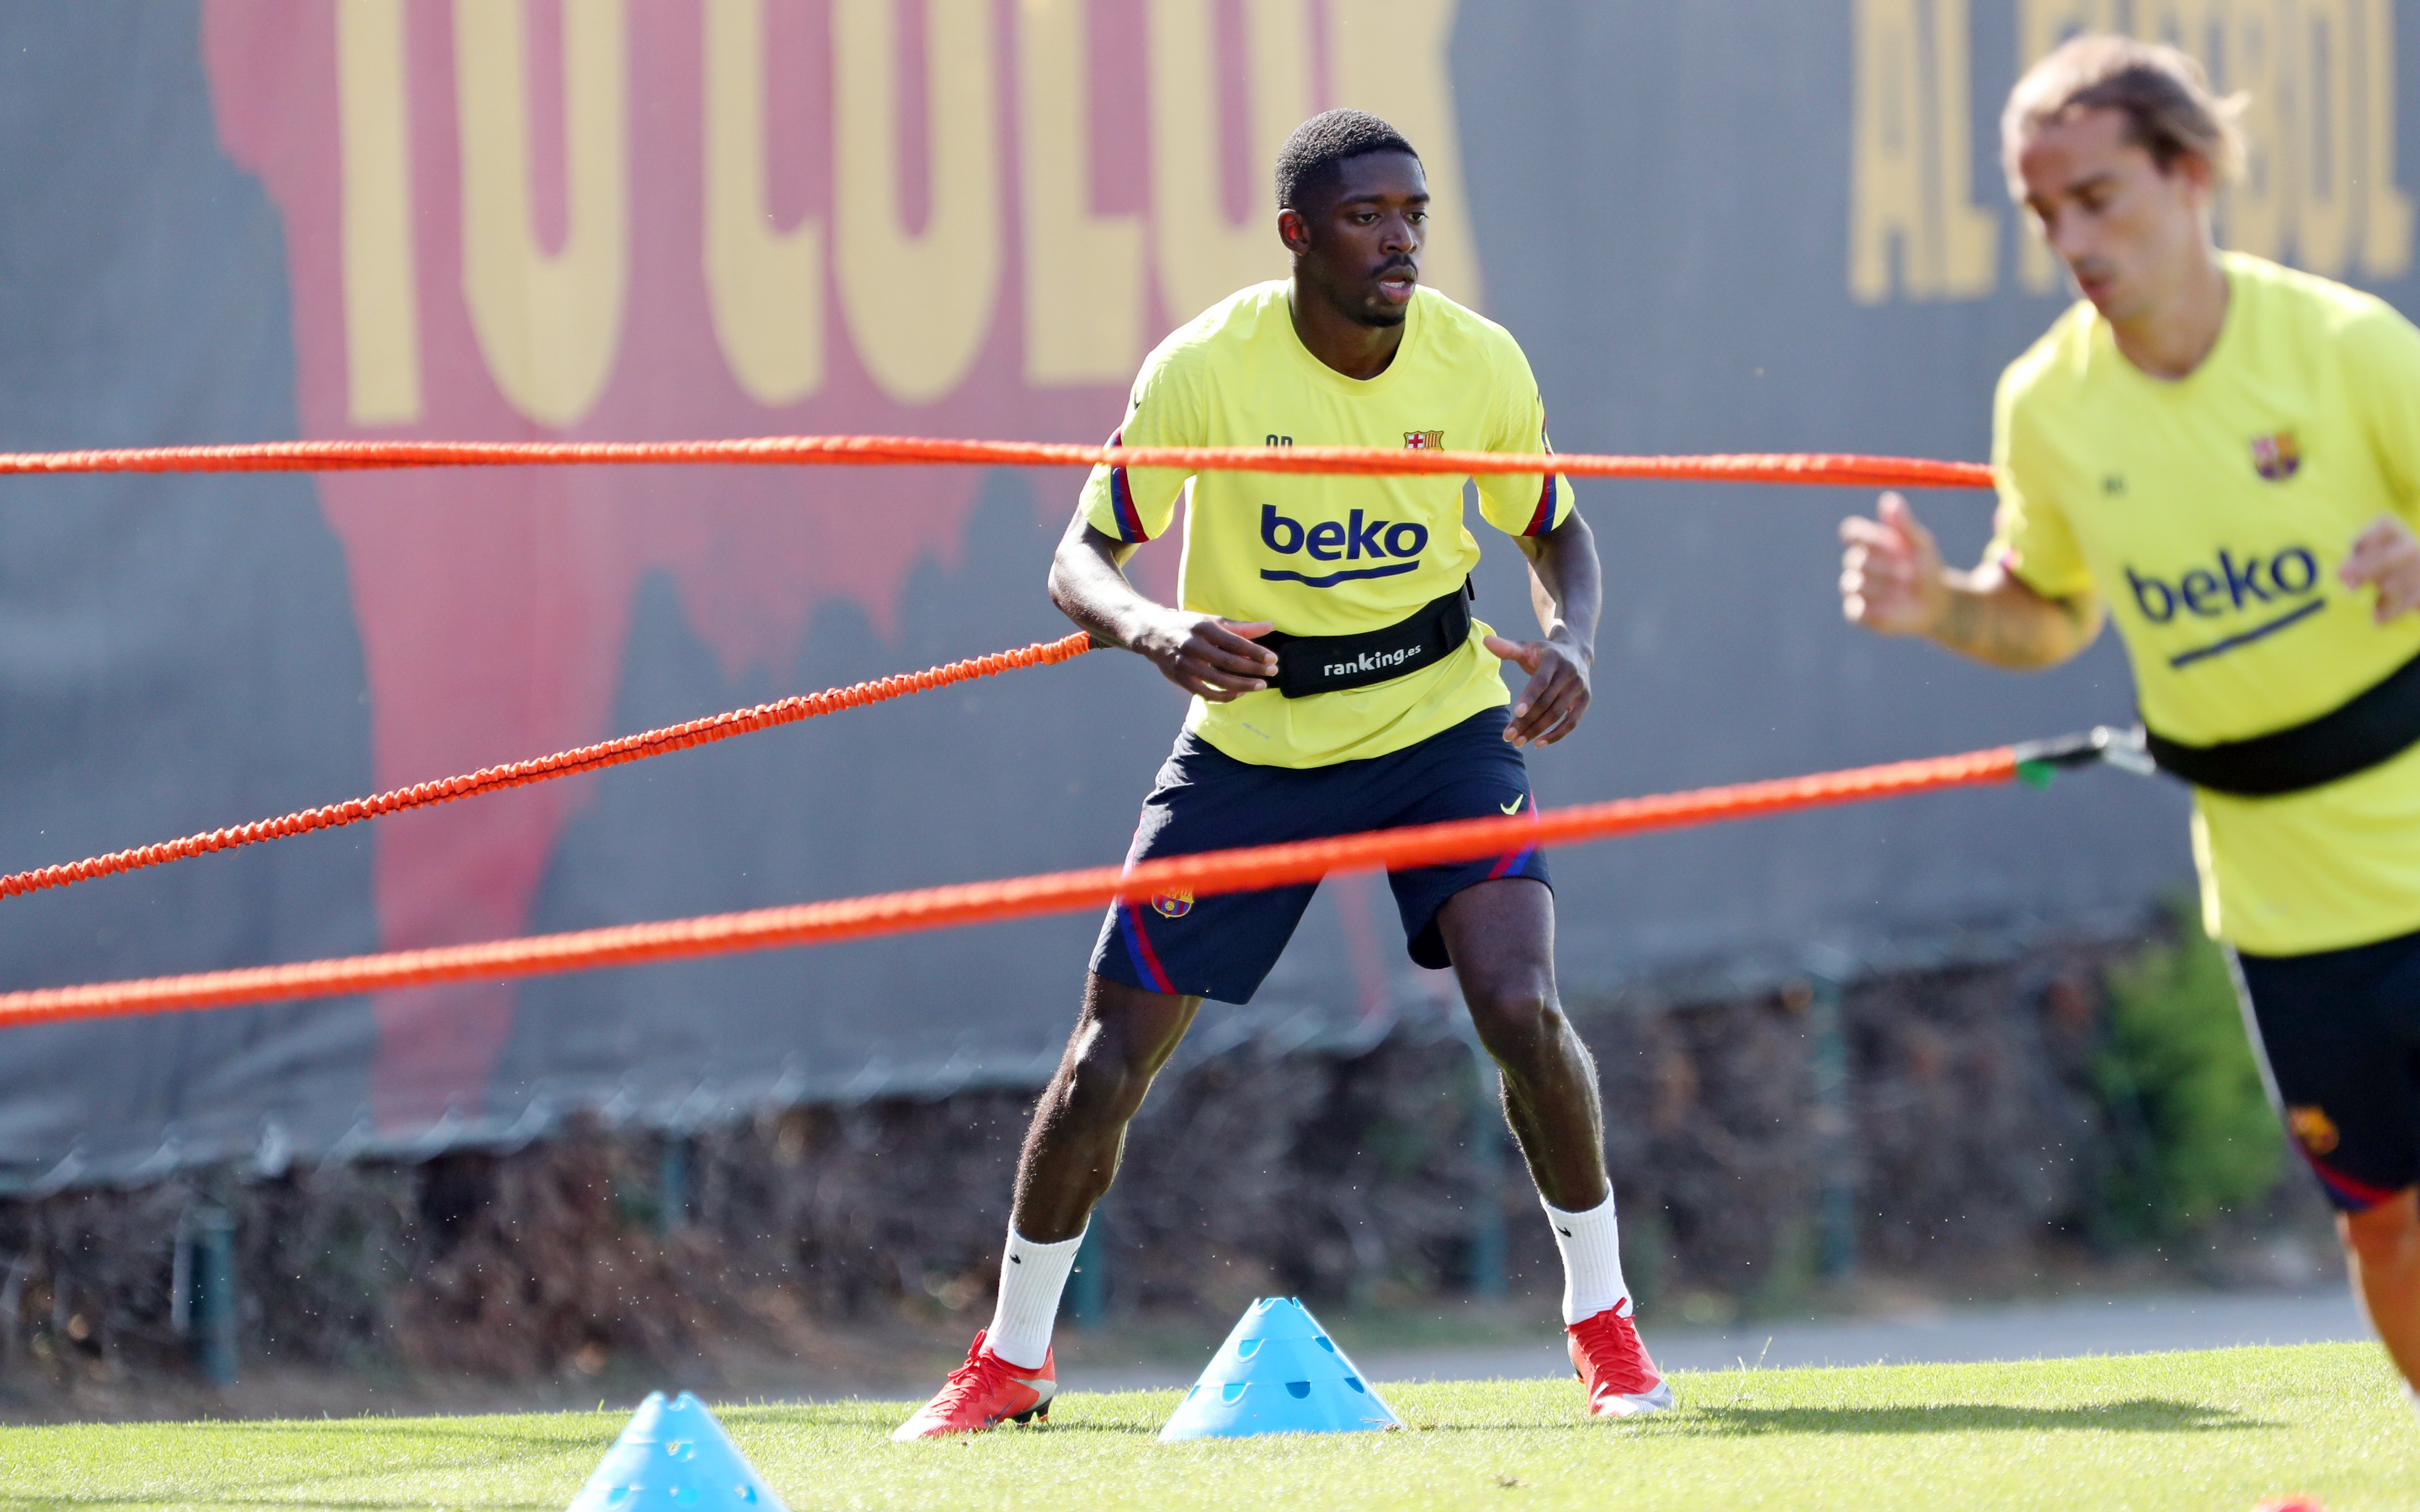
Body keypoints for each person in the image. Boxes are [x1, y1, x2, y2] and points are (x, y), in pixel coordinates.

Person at [892, 108, 1668, 1439]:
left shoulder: (1476, 365)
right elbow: (1079, 557)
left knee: (1518, 998)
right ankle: (1013, 1356)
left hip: (1439, 731)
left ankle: (1605, 1326)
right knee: (1105, 1060)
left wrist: (1578, 640)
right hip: (1256, 746)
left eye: (1415, 214)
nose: (1401, 241)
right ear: (1299, 236)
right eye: (1370, 216)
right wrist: (1154, 629)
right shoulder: (1208, 369)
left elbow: (1558, 531)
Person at [1838, 35, 2420, 1420]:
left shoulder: (2347, 349)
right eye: (2046, 214)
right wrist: (1943, 610)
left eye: (2100, 198)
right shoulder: (2046, 405)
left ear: (2192, 173)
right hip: (2285, 904)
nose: (2072, 239)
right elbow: (2048, 615)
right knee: (2386, 1223)